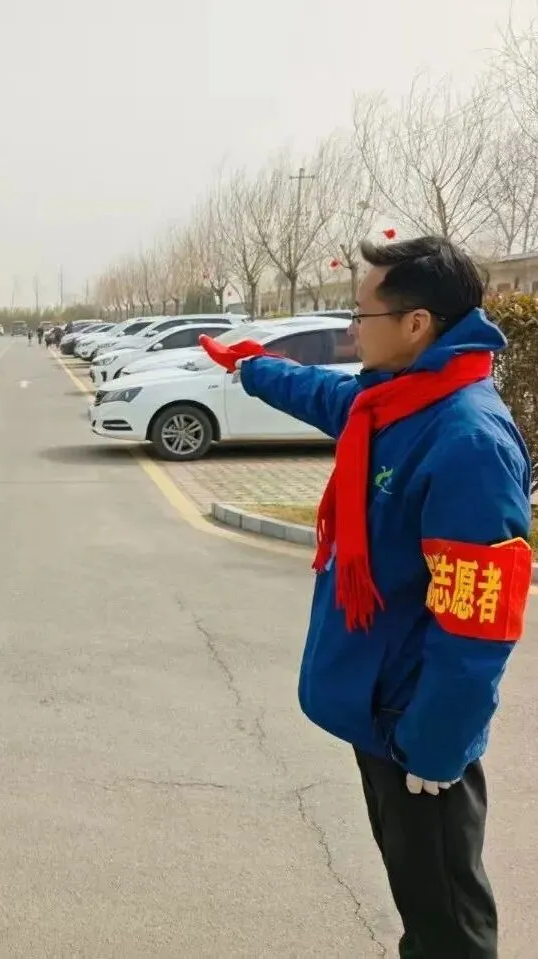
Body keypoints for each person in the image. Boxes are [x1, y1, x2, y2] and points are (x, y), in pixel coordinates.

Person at [200, 236, 531, 959]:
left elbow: (477, 622)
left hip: (417, 727)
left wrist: (437, 745)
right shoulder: (393, 401)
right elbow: (322, 394)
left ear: (416, 324)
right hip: (382, 714)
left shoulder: (465, 439)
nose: (352, 330)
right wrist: (253, 367)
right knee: (419, 901)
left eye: (362, 314)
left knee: (448, 922)